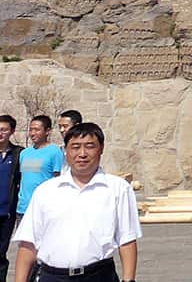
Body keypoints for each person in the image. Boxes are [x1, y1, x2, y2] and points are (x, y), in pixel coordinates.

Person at [13, 122, 140, 282]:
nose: (82, 153)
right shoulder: (46, 191)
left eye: (89, 146)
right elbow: (28, 244)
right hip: (52, 276)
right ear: (65, 151)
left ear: (101, 149)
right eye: (75, 147)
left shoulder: (117, 188)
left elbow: (127, 239)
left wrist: (129, 280)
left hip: (98, 275)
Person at [17, 116, 63, 220]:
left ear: (47, 131)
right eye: (31, 129)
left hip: (43, 209)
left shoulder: (54, 152)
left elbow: (57, 180)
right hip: (23, 209)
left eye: (37, 130)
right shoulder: (24, 153)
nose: (32, 133)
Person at [0, 114, 21, 278]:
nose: (0, 133)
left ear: (11, 131)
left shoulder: (19, 154)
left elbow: (32, 176)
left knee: (0, 254)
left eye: (4, 129)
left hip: (6, 213)